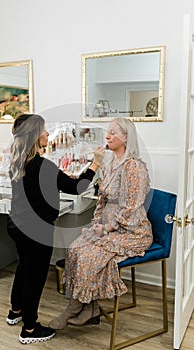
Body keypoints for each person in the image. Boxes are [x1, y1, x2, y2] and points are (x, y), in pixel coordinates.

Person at [6, 113, 105, 344]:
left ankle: (15, 312)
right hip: (36, 231)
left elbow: (38, 188)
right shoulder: (43, 166)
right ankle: (29, 329)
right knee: (35, 277)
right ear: (33, 136)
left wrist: (56, 179)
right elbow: (76, 187)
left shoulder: (17, 160)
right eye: (43, 131)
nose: (47, 134)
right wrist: (96, 163)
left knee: (24, 268)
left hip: (16, 225)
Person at [49, 117, 153, 330]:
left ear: (126, 138)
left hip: (131, 231)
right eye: (108, 131)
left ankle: (73, 308)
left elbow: (131, 208)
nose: (107, 136)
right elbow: (102, 200)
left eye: (114, 133)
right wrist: (98, 222)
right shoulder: (109, 164)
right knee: (75, 249)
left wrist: (107, 228)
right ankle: (91, 309)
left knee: (88, 257)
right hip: (106, 227)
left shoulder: (133, 167)